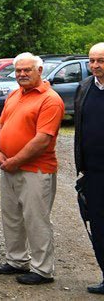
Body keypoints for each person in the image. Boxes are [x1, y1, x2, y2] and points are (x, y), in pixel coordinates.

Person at [0, 52, 64, 286]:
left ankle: (42, 270)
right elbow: (0, 124)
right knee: (11, 216)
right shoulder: (14, 94)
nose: (21, 74)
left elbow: (43, 139)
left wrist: (15, 161)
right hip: (8, 166)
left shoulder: (50, 99)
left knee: (36, 220)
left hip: (36, 169)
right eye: (18, 70)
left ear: (40, 71)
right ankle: (16, 260)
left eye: (27, 70)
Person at [76, 42, 104, 294]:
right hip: (93, 172)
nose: (95, 65)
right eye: (92, 60)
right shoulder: (84, 88)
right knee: (97, 225)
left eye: (101, 61)